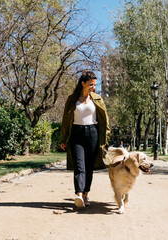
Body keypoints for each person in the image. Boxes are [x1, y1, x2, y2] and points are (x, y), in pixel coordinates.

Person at [60, 70, 110, 208]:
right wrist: (64, 139)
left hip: (93, 133)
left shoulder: (97, 99)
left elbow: (105, 120)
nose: (93, 87)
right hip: (76, 134)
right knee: (79, 166)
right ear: (83, 83)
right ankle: (79, 195)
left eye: (94, 85)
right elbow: (65, 120)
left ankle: (86, 194)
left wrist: (105, 138)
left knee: (89, 167)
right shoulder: (72, 99)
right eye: (90, 84)